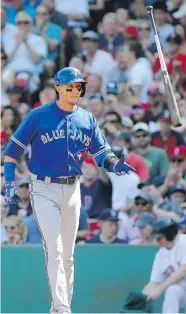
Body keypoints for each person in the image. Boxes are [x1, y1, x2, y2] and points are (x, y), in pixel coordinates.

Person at [2, 67, 135, 314]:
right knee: (54, 249)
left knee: (69, 256)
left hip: (72, 187)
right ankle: (62, 308)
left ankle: (61, 308)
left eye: (79, 86)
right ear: (58, 88)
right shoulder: (37, 116)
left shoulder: (86, 118)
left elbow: (101, 153)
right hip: (42, 187)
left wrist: (114, 163)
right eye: (71, 86)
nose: (76, 90)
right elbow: (10, 153)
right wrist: (9, 182)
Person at [142, 219, 186, 313]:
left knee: (171, 288)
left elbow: (185, 270)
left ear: (170, 235)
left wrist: (159, 289)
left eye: (159, 238)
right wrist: (138, 302)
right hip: (183, 293)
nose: (156, 241)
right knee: (172, 290)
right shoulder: (161, 254)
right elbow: (154, 283)